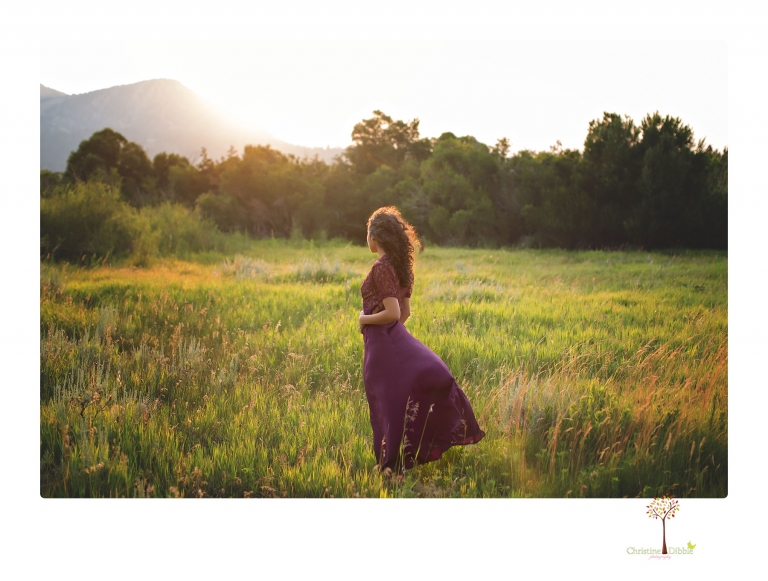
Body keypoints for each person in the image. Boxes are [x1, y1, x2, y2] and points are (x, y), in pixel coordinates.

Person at [358, 206, 485, 474]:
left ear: (375, 236)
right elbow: (405, 314)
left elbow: (392, 313)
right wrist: (394, 335)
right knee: (395, 402)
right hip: (390, 340)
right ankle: (394, 463)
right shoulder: (402, 266)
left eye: (367, 232)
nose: (366, 238)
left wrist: (365, 321)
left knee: (386, 404)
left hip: (380, 346)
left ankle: (388, 466)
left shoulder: (381, 267)